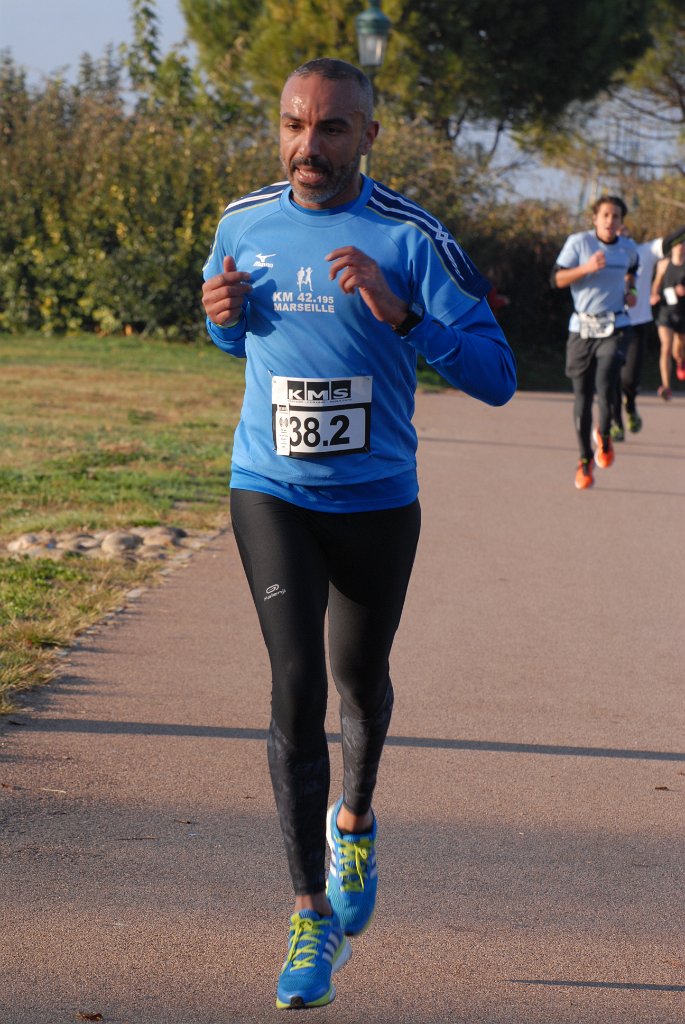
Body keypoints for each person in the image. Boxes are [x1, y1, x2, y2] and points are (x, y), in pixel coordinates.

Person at [201, 57, 516, 1010]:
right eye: (294, 124)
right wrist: (221, 321)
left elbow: (497, 376)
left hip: (375, 500)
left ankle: (357, 819)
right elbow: (233, 335)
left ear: (368, 136)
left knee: (359, 682)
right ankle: (310, 917)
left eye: (332, 127)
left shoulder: (411, 237)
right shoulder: (241, 223)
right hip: (269, 488)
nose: (309, 145)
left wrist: (405, 315)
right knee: (295, 684)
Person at [552, 195, 639, 490]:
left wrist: (631, 292)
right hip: (582, 328)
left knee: (605, 382)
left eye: (616, 216)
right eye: (605, 215)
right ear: (595, 218)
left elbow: (633, 271)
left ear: (621, 222)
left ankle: (604, 434)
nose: (610, 221)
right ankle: (584, 459)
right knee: (583, 396)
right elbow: (556, 279)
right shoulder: (579, 243)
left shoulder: (628, 248)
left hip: (616, 325)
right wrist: (586, 268)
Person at [612, 221, 685, 432]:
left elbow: (672, 238)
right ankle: (615, 424)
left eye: (623, 227)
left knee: (629, 379)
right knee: (611, 377)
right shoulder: (602, 255)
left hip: (637, 325)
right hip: (610, 325)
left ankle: (630, 406)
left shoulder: (645, 251)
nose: (619, 231)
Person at [651, 240, 685, 400]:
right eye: (677, 244)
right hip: (666, 313)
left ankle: (680, 361)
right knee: (666, 347)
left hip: (682, 313)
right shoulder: (664, 264)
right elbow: (656, 284)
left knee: (678, 352)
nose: (680, 247)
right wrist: (654, 295)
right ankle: (666, 386)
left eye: (683, 244)